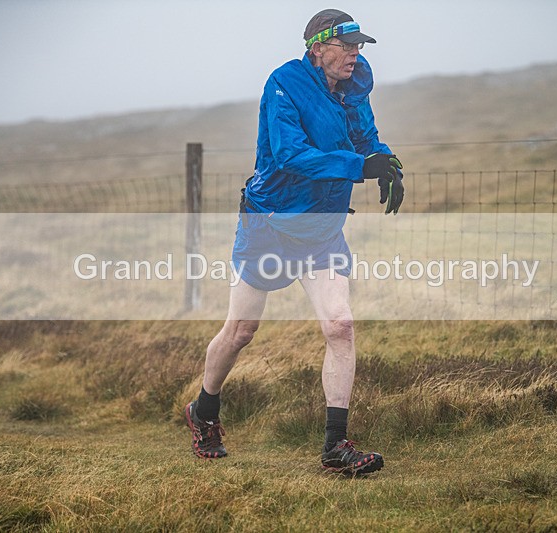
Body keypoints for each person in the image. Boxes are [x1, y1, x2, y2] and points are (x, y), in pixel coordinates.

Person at [184, 8, 403, 475]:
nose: (354, 54)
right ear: (317, 47)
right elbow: (289, 153)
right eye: (346, 46)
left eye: (359, 46)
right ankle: (204, 411)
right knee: (241, 331)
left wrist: (386, 163)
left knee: (340, 326)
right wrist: (356, 168)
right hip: (270, 225)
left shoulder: (355, 87)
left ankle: (335, 446)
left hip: (322, 230)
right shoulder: (283, 83)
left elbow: (367, 139)